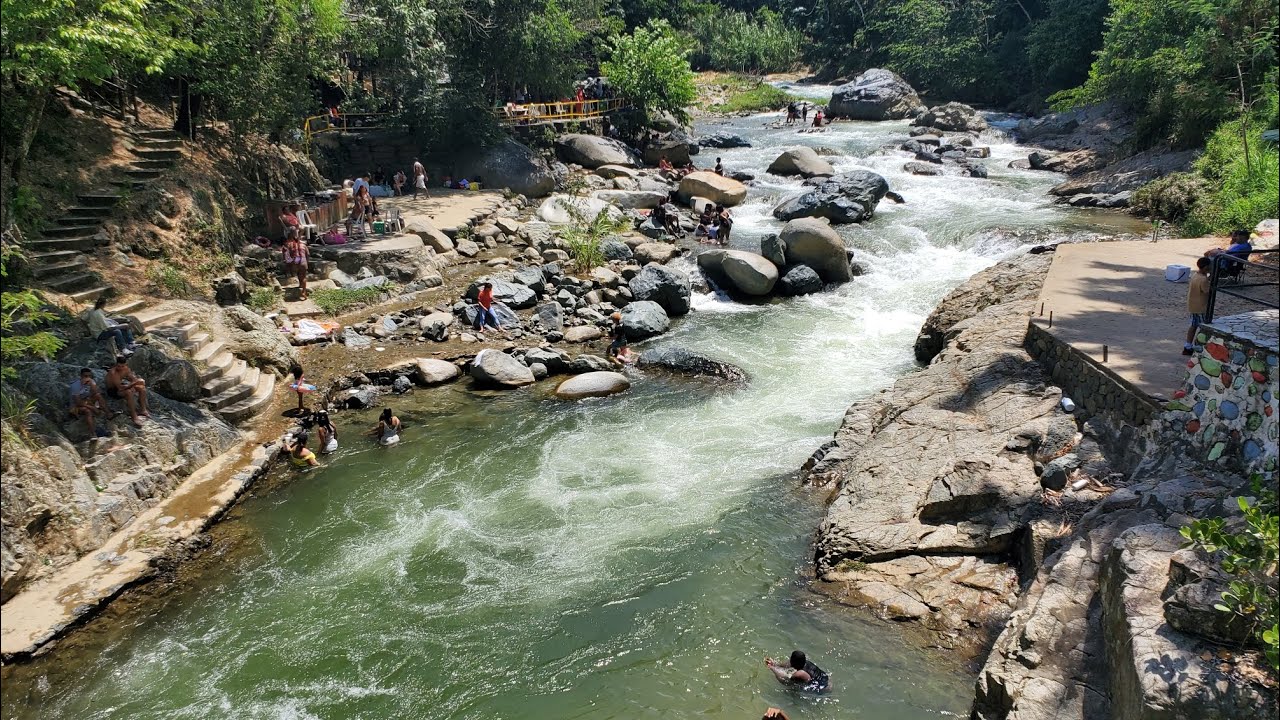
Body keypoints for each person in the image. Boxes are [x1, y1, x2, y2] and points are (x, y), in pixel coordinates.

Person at [105, 355, 150, 426]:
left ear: (125, 364)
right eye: (119, 366)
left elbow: (133, 378)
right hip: (112, 390)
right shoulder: (113, 373)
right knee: (128, 393)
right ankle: (134, 417)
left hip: (122, 386)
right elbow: (120, 388)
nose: (120, 368)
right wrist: (134, 384)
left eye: (122, 366)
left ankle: (143, 410)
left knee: (142, 388)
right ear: (116, 364)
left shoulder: (126, 369)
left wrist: (138, 381)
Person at [69, 368, 111, 438]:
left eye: (89, 376)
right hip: (76, 406)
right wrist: (92, 407)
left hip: (87, 401)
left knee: (98, 396)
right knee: (88, 411)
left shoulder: (91, 382)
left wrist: (92, 385)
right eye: (85, 376)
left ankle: (109, 414)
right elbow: (78, 402)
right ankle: (93, 433)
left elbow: (96, 393)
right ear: (81, 376)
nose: (87, 378)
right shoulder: (75, 386)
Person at [1184, 256, 1212, 356]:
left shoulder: (1195, 275)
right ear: (1206, 268)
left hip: (1193, 305)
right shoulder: (1203, 279)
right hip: (1201, 307)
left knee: (1193, 325)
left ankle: (1187, 345)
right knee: (1204, 327)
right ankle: (1200, 347)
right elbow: (1207, 291)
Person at [765, 650, 830, 693]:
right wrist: (775, 664)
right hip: (827, 679)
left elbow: (784, 679)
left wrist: (772, 668)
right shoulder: (803, 662)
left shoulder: (801, 673)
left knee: (790, 686)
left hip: (824, 688)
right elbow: (787, 664)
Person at [282, 230, 310, 299]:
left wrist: (288, 263)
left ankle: (300, 285)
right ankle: (303, 291)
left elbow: (287, 255)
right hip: (303, 262)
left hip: (296, 262)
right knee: (303, 276)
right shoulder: (303, 245)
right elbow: (308, 254)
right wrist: (307, 262)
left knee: (298, 273)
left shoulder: (290, 245)